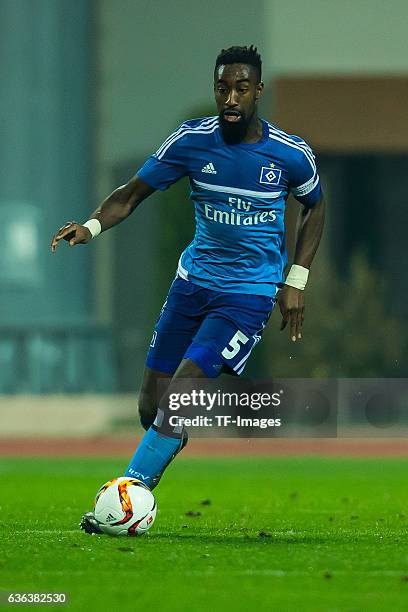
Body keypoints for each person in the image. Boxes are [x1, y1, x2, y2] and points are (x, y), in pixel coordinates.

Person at [51, 45, 325, 534]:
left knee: (180, 396)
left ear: (258, 91)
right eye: (223, 88)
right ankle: (167, 438)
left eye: (242, 87)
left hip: (248, 295)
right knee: (151, 405)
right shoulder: (190, 142)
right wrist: (90, 227)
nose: (231, 97)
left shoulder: (289, 153)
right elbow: (132, 193)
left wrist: (295, 280)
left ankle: (126, 499)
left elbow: (315, 208)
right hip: (191, 284)